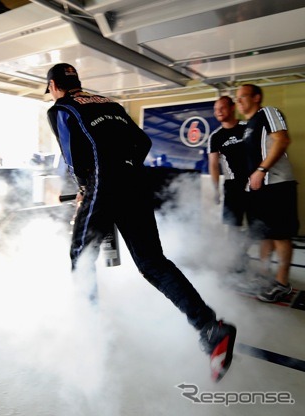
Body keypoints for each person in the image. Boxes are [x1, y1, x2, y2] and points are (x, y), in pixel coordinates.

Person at [45, 63, 236, 382]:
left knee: (81, 258)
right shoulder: (111, 104)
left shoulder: (61, 108)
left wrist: (85, 187)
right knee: (152, 262)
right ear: (77, 81)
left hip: (102, 182)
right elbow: (143, 142)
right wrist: (127, 168)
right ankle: (210, 327)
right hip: (134, 182)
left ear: (53, 86)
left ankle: (89, 337)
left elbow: (75, 154)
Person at [235, 84, 299, 302]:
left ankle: (282, 284)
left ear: (256, 97)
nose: (239, 102)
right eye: (237, 99)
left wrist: (261, 170)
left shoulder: (268, 112)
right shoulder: (248, 126)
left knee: (280, 235)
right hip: (259, 187)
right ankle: (264, 277)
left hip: (277, 184)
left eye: (243, 97)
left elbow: (283, 140)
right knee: (264, 234)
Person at [207, 96, 249, 272]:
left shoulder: (247, 128)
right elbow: (213, 165)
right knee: (233, 226)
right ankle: (235, 261)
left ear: (232, 108)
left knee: (259, 226)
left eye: (222, 108)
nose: (218, 112)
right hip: (232, 186)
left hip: (255, 183)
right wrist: (216, 189)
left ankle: (249, 257)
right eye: (216, 109)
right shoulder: (216, 136)